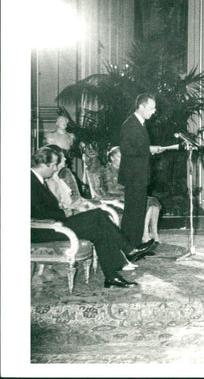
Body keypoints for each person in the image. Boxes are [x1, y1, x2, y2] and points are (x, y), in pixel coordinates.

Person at [31, 146, 156, 288]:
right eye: (53, 165)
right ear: (43, 165)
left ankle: (111, 276)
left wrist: (62, 210)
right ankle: (129, 249)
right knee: (98, 214)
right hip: (43, 229)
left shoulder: (37, 179)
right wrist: (62, 211)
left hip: (55, 224)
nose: (55, 169)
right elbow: (38, 212)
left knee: (100, 231)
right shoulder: (30, 181)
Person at [119, 94, 167, 245]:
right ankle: (129, 246)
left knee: (138, 212)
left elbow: (137, 148)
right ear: (141, 106)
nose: (154, 111)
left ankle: (136, 244)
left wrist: (149, 150)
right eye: (151, 108)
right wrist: (148, 149)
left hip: (139, 176)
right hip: (133, 177)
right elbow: (126, 150)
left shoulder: (140, 123)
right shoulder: (130, 124)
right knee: (132, 213)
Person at [103, 146, 162, 243]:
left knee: (153, 201)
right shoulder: (107, 171)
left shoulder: (124, 169)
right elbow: (110, 190)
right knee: (145, 202)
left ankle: (154, 233)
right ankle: (144, 233)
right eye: (120, 157)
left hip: (127, 195)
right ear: (112, 158)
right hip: (115, 197)